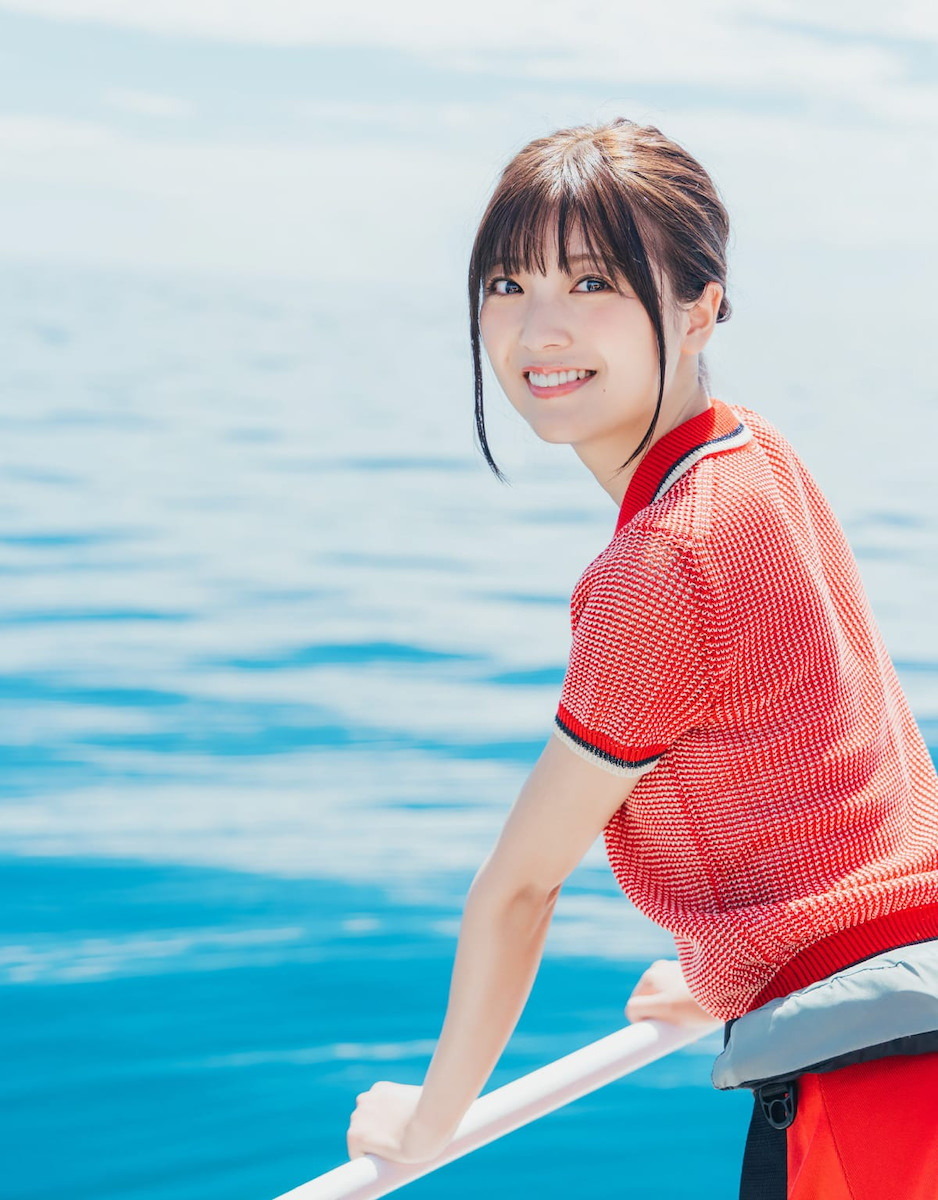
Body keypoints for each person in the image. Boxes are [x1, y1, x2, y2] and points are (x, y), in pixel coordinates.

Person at [346, 117, 938, 1197]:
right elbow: (818, 743)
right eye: (507, 284)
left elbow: (520, 888)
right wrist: (731, 973)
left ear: (698, 307)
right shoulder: (753, 455)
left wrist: (429, 1125)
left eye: (590, 283)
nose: (539, 329)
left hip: (879, 1094)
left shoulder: (661, 564)